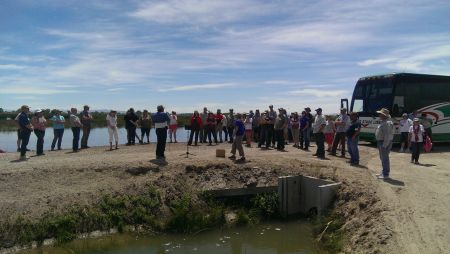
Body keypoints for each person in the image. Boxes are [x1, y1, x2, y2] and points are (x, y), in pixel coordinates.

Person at [375, 108, 394, 179]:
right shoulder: (384, 122)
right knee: (383, 158)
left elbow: (387, 135)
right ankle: (384, 172)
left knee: (384, 158)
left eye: (380, 114)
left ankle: (385, 174)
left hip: (383, 142)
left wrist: (384, 145)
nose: (379, 115)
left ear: (384, 115)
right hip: (381, 141)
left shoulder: (386, 123)